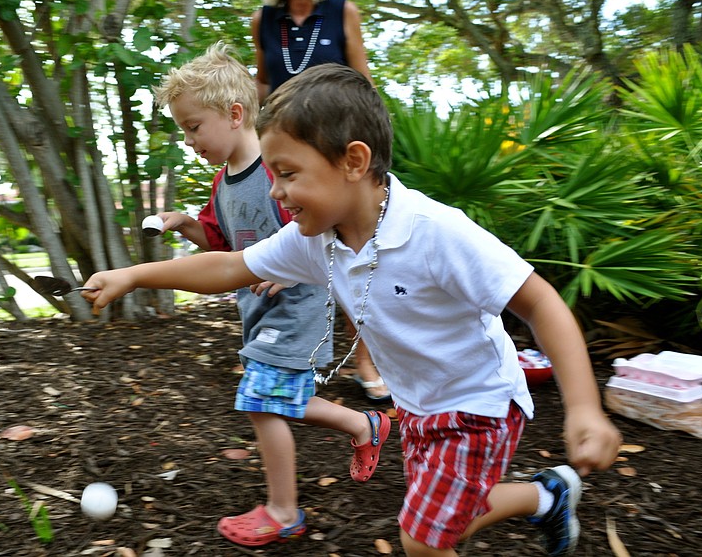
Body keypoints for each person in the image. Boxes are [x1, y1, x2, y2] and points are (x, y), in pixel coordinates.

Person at [85, 64, 622, 557]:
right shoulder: (317, 237)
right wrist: (132, 275)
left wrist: (584, 409)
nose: (277, 191)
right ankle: (546, 496)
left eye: (288, 173)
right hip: (418, 406)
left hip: (477, 405)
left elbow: (540, 302)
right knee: (442, 518)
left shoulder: (436, 232)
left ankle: (539, 498)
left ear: (354, 161)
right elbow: (228, 268)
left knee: (422, 539)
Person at [148, 45, 390, 548]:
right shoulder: (224, 183)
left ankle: (284, 511)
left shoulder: (278, 173)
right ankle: (362, 423)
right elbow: (222, 247)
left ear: (235, 115)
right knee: (281, 397)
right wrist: (187, 224)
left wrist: (286, 271)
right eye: (183, 129)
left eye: (194, 126)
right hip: (258, 311)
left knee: (261, 401)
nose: (189, 139)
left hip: (301, 306)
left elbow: (321, 233)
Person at [253, 0, 390, 402]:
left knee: (355, 250)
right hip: (287, 154)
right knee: (301, 250)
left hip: (333, 152)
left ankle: (366, 359)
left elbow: (362, 82)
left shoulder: (340, 11)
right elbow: (263, 82)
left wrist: (375, 148)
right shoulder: (263, 19)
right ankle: (290, 357)